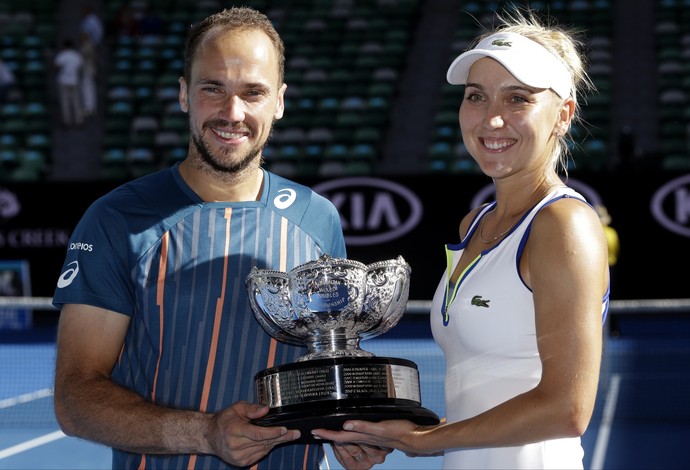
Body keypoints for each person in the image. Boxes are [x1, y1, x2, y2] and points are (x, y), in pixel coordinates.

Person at [52, 7, 389, 470]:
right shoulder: (117, 218)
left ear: (280, 102)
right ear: (184, 95)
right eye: (213, 89)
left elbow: (326, 363)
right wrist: (205, 433)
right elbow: (75, 400)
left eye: (253, 93)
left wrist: (351, 430)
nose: (233, 113)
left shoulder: (318, 218)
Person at [313, 8, 610, 470]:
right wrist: (396, 433)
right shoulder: (474, 224)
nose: (492, 120)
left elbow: (566, 409)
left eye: (518, 99)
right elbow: (493, 395)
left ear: (563, 115)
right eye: (477, 97)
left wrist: (428, 440)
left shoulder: (563, 224)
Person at [54, 38, 84, 128]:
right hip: (74, 80)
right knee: (76, 101)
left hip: (64, 80)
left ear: (64, 46)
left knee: (65, 102)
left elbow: (56, 66)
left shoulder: (62, 55)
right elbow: (80, 67)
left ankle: (66, 122)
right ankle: (79, 121)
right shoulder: (76, 55)